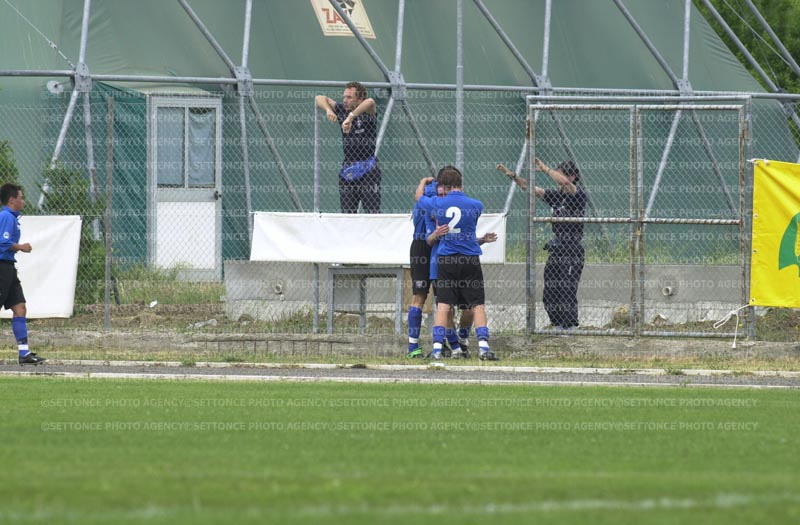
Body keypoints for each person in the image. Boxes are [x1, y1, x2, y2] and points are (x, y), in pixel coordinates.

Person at [415, 166, 499, 361]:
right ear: (461, 183)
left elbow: (419, 197)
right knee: (477, 305)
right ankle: (484, 348)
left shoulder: (438, 204)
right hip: (469, 259)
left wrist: (422, 183)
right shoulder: (476, 205)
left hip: (446, 259)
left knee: (444, 305)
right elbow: (467, 230)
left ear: (444, 186)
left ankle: (437, 349)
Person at [533, 158, 587, 329]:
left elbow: (564, 182)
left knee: (566, 290)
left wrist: (545, 168)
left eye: (560, 174)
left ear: (572, 177)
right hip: (557, 249)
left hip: (572, 249)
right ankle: (557, 325)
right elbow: (533, 189)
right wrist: (513, 176)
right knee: (550, 291)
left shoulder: (578, 195)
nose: (557, 178)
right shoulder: (557, 196)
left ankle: (570, 326)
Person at [315, 81, 381, 213]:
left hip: (368, 169)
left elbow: (370, 102)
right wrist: (328, 110)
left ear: (360, 99)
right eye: (344, 96)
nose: (345, 100)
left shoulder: (368, 112)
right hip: (348, 170)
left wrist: (350, 117)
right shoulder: (341, 110)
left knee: (372, 213)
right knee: (347, 215)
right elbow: (319, 98)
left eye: (349, 97)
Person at [0, 184, 44, 365]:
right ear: (12, 200)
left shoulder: (12, 218)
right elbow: (2, 242)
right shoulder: (6, 217)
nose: (23, 201)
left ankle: (24, 353)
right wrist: (21, 247)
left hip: (9, 267)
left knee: (19, 308)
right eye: (21, 197)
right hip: (2, 267)